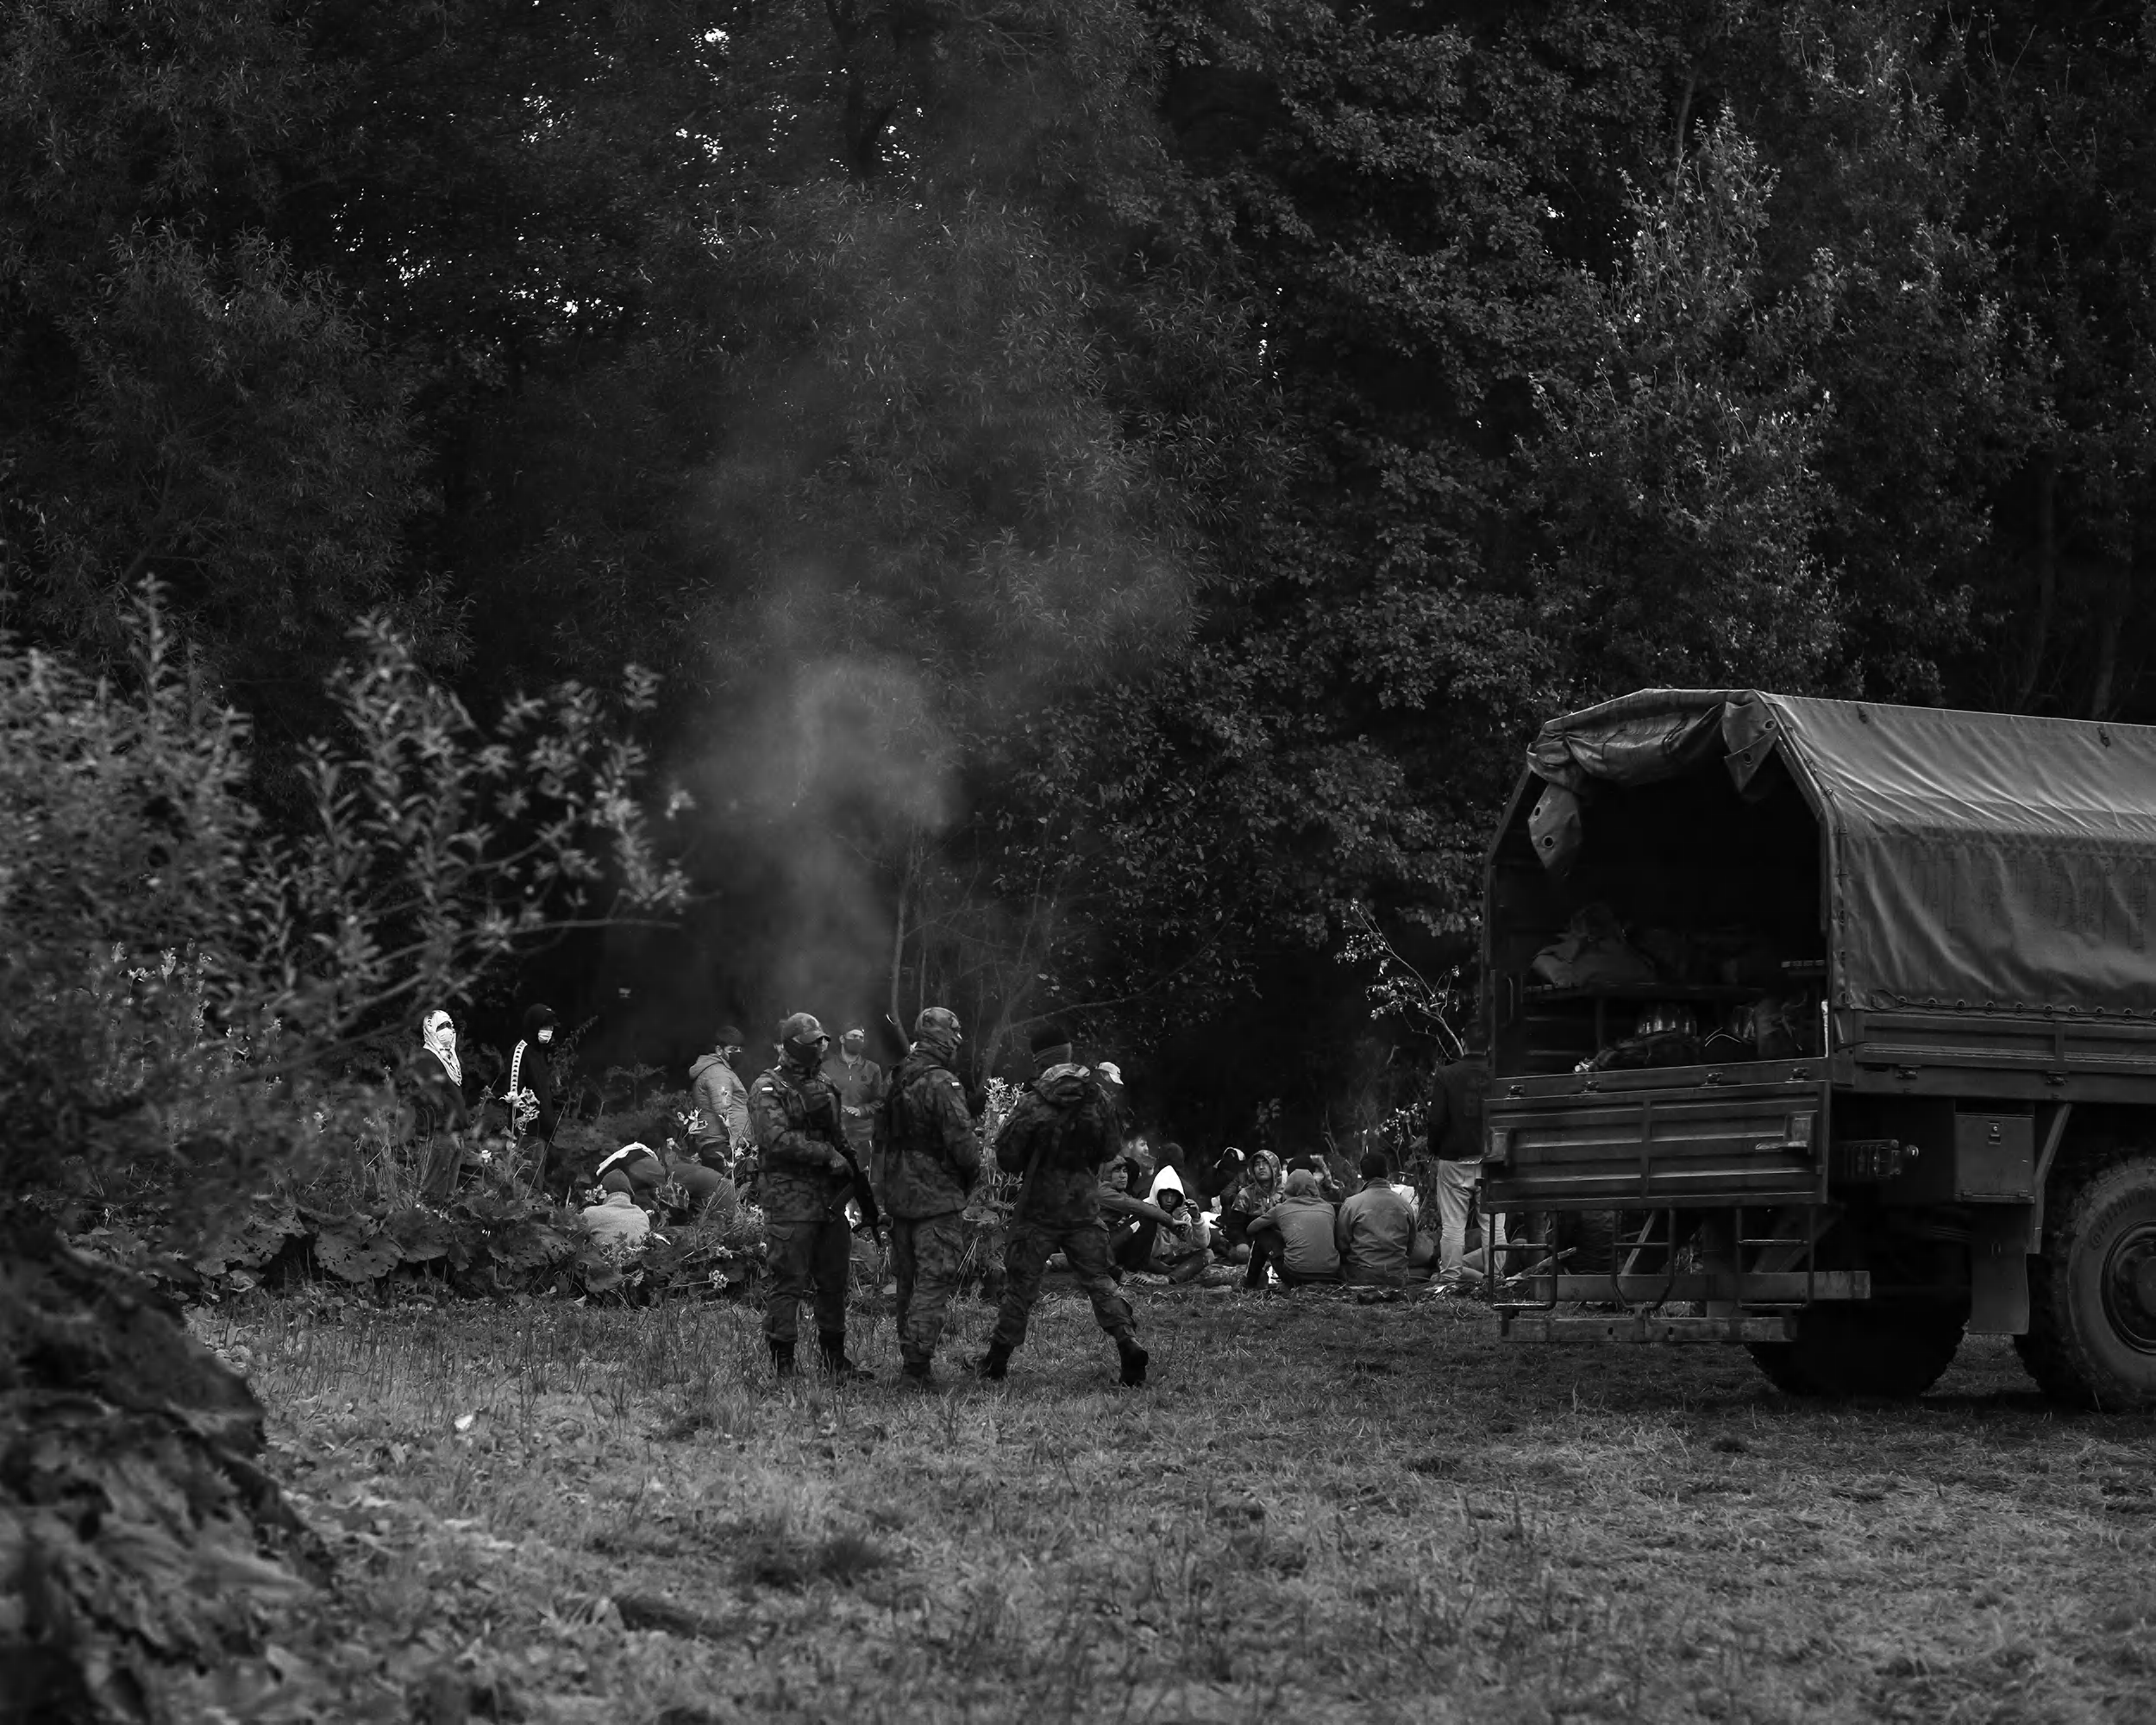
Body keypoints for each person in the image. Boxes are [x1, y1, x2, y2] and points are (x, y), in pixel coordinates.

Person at [979, 1028, 1150, 1388]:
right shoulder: (1098, 1097)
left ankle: (996, 1361)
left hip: (1038, 1209)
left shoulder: (1033, 1102)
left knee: (1021, 1287)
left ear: (1040, 1059)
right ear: (1069, 1053)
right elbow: (1109, 1150)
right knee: (1100, 1280)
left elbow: (1007, 1158)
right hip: (1084, 1205)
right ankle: (1127, 1342)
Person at [749, 1013, 872, 1380]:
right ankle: (783, 1365)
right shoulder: (767, 1087)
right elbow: (776, 1140)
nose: (820, 1047)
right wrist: (827, 1156)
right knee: (788, 1283)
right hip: (789, 1203)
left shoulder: (824, 1084)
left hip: (829, 1204)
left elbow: (838, 1135)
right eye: (812, 1042)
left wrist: (852, 1166)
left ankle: (835, 1361)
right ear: (791, 1046)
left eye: (822, 1040)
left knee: (834, 1283)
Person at [878, 1007, 982, 1388]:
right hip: (935, 1198)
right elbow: (964, 1145)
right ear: (944, 1037)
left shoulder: (898, 1076)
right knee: (933, 1281)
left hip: (900, 1197)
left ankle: (911, 1358)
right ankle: (916, 1369)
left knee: (908, 1282)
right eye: (954, 1035)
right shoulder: (942, 1082)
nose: (957, 1043)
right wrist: (971, 1177)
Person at [1427, 1037, 1502, 1288]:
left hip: (1454, 1158)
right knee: (1494, 1223)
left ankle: (1449, 1280)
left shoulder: (1446, 1075)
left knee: (1453, 1225)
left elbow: (1437, 1120)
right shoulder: (1498, 1076)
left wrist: (1435, 1148)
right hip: (1492, 1158)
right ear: (1488, 1045)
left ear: (1463, 1041)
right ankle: (1498, 1280)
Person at [1244, 1169, 1341, 1289]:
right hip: (1330, 1274)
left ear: (1289, 1187)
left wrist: (1277, 1226)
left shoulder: (1281, 1209)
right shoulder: (1328, 1208)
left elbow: (1251, 1228)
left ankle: (1249, 1285)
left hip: (1296, 1275)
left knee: (1263, 1234)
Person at [411, 1008, 471, 1202]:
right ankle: (423, 1229)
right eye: (441, 1026)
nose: (447, 1031)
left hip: (453, 1134)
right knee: (432, 1194)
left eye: (449, 1026)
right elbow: (430, 1099)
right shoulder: (426, 1058)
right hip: (438, 1136)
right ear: (430, 1030)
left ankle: (440, 1229)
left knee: (447, 1197)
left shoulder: (449, 1059)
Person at [824, 1026, 888, 1201]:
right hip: (834, 1137)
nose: (858, 1040)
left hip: (862, 1136)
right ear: (842, 1039)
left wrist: (862, 1110)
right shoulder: (826, 1068)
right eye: (854, 1036)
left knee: (860, 1183)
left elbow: (880, 1101)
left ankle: (861, 1221)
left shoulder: (872, 1069)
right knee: (834, 1183)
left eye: (861, 1037)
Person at [1336, 1151, 1418, 1287]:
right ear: (1387, 1172)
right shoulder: (1404, 1205)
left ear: (1362, 1175)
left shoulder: (1351, 1204)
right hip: (1396, 1279)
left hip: (1361, 1278)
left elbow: (1342, 1245)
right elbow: (1410, 1244)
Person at [506, 1005, 563, 1193]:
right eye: (544, 1027)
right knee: (527, 1188)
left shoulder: (539, 1053)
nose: (549, 1032)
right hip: (528, 1132)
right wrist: (521, 1129)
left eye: (551, 1028)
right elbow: (513, 1092)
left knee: (536, 1188)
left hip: (542, 1133)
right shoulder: (520, 1051)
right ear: (533, 1026)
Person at [688, 1026, 752, 1173]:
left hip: (718, 1145)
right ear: (719, 1050)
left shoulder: (716, 1070)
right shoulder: (717, 1073)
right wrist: (740, 1145)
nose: (738, 1054)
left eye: (740, 1050)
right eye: (733, 1049)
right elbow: (724, 1110)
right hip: (722, 1147)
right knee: (735, 1192)